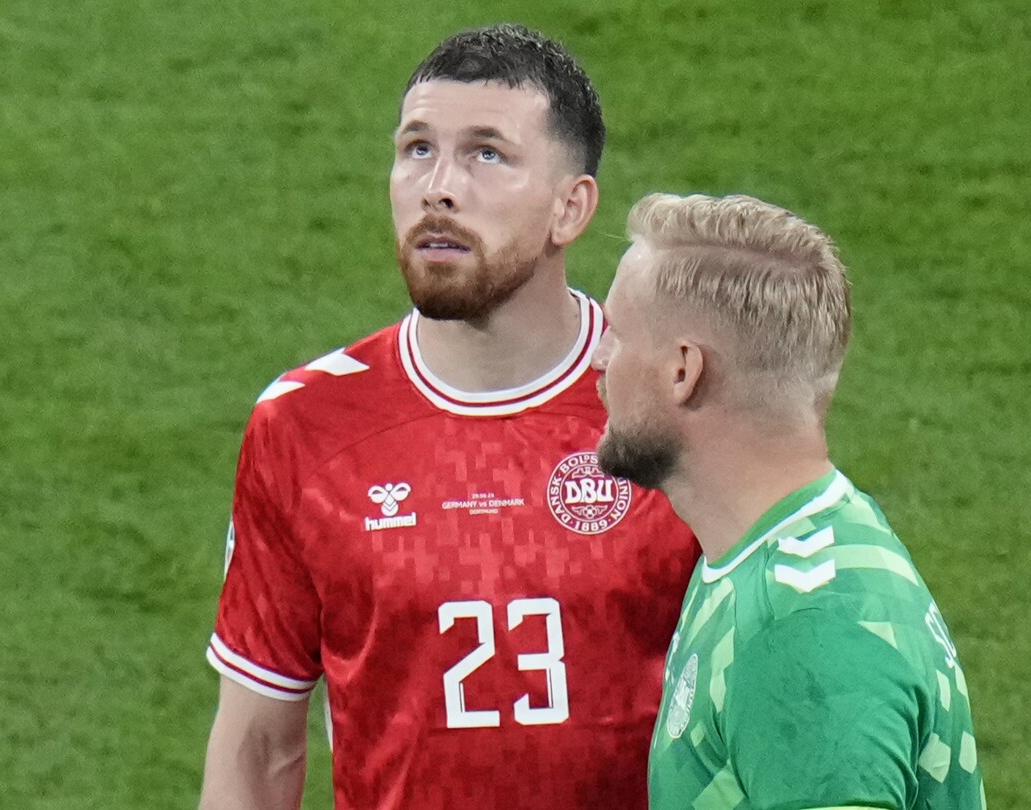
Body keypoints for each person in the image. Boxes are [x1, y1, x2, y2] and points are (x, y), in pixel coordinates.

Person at [198, 24, 700, 810]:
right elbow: (258, 744)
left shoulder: (671, 402)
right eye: (417, 149)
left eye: (486, 154)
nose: (438, 186)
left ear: (571, 208)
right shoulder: (305, 427)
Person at [591, 192, 985, 809]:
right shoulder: (786, 542)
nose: (599, 359)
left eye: (617, 334)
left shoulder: (802, 638)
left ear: (682, 371)